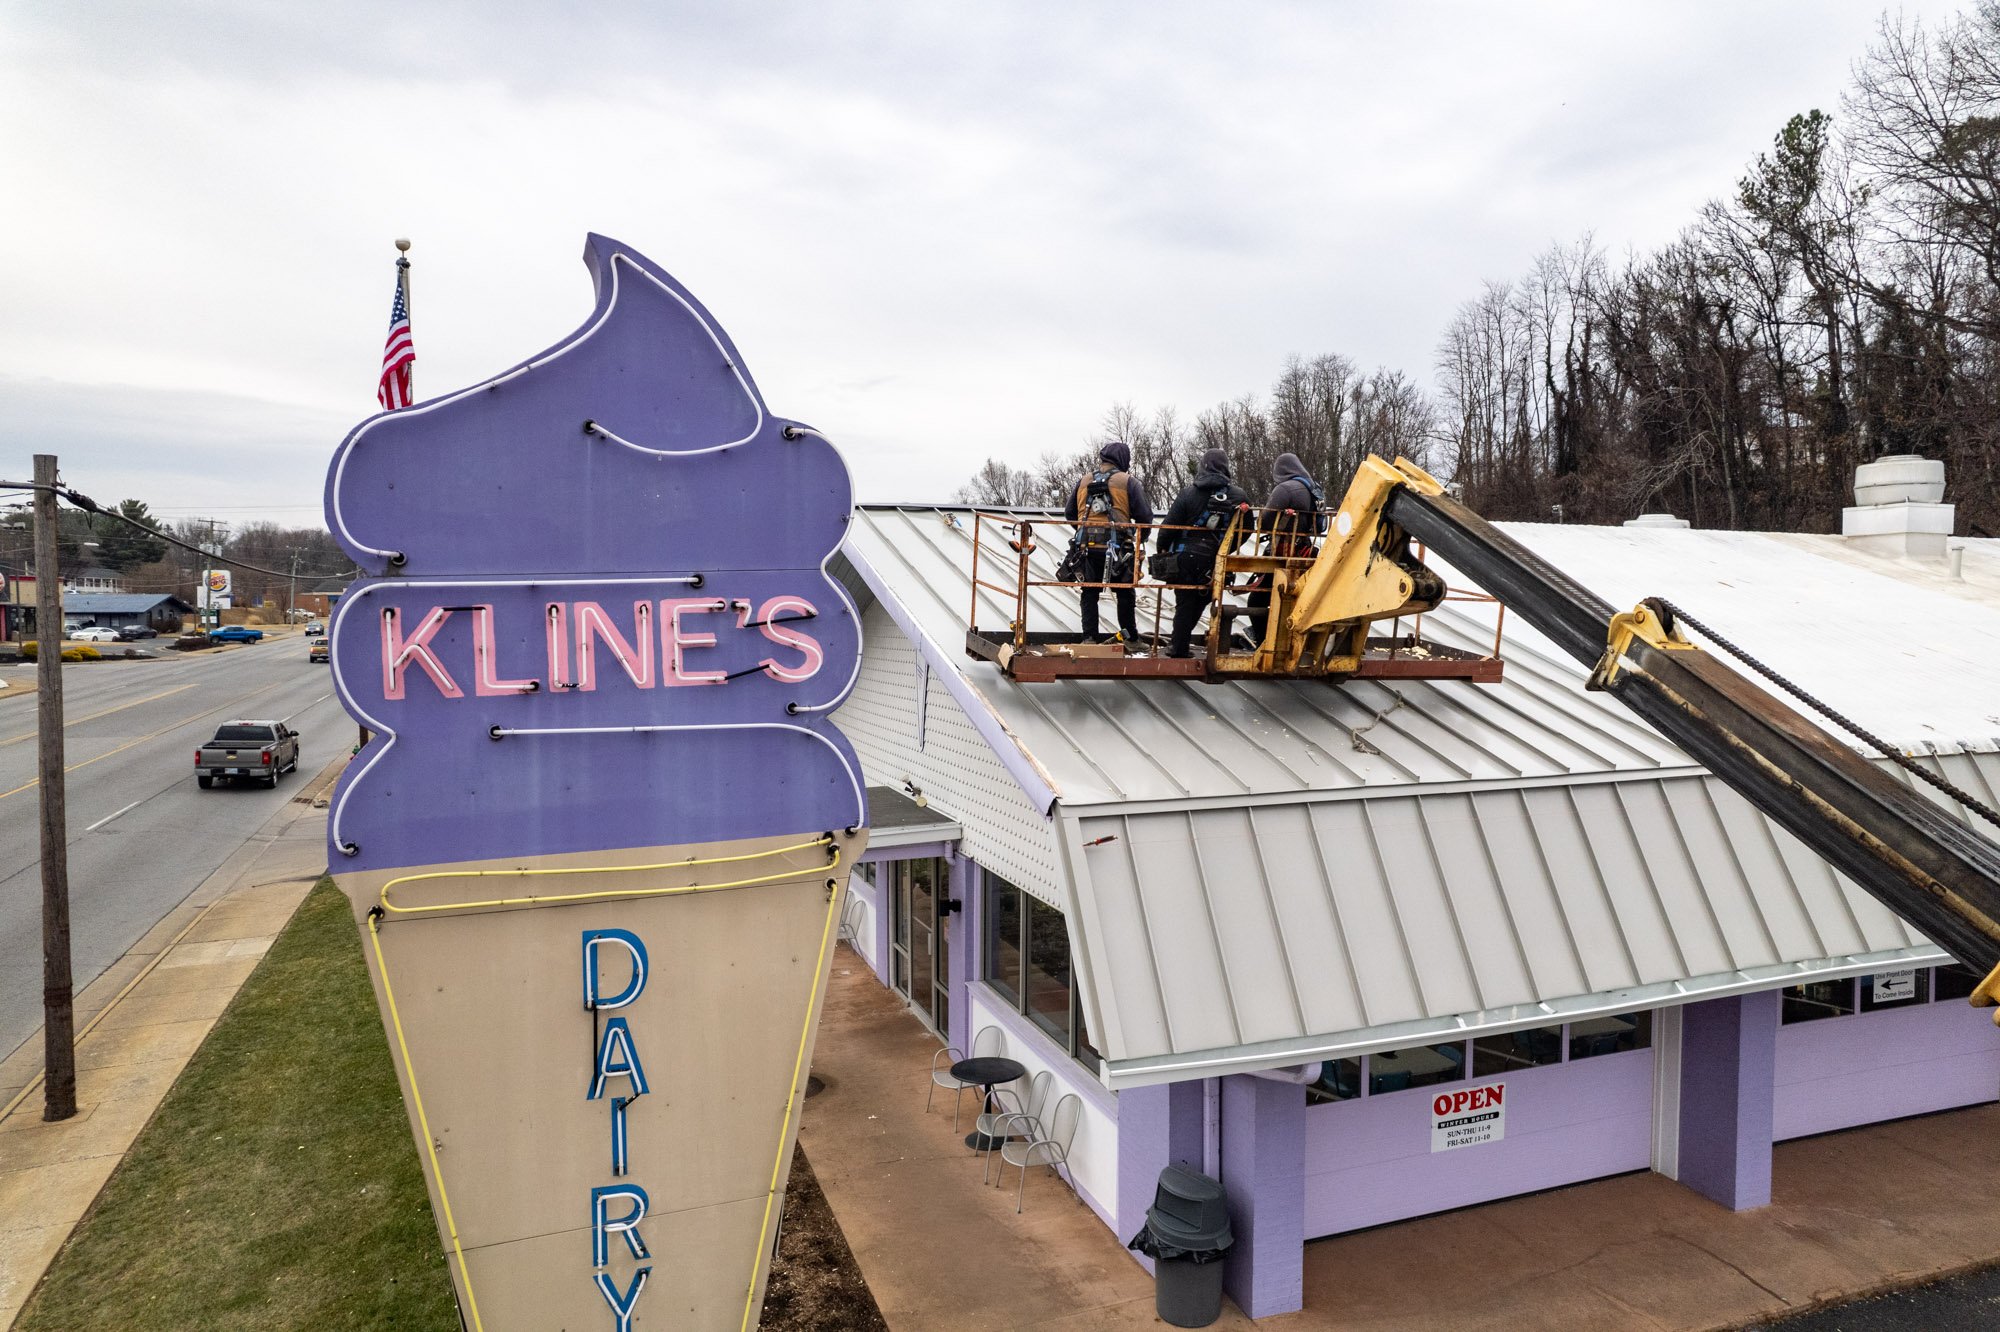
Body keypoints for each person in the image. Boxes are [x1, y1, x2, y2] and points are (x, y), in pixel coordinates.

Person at [1155, 448, 1251, 658]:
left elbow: (1168, 527)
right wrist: (1227, 547)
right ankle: (1180, 643)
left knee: (1185, 602)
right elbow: (1248, 529)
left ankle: (1178, 647)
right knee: (1202, 597)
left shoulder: (1189, 493)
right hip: (1214, 561)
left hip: (1184, 559)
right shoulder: (1239, 496)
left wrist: (1161, 551)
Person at [1063, 440, 1153, 646]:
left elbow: (1069, 513)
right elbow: (1144, 516)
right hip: (1118, 547)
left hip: (1086, 547)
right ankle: (1130, 638)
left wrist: (1083, 531)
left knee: (1089, 591)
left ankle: (1089, 638)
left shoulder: (1084, 481)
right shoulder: (1128, 481)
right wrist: (1141, 537)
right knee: (1124, 592)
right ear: (1123, 460)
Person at [1246, 452, 1327, 645]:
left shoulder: (1285, 488)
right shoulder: (1316, 490)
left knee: (1256, 601)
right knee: (1296, 600)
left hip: (1283, 551)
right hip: (1306, 551)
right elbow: (1321, 525)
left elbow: (1265, 520)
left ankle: (1264, 643)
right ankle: (1290, 643)